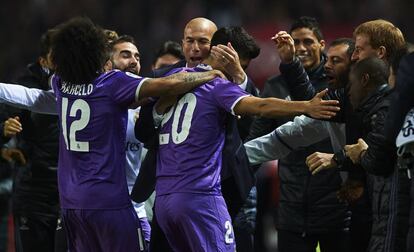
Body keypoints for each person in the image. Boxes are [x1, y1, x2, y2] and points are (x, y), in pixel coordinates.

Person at [0, 16, 225, 251]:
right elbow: (168, 84)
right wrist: (207, 74)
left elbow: (32, 98)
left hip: (71, 204)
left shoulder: (60, 84)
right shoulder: (113, 83)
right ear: (100, 54)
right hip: (109, 202)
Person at [151, 25, 340, 252]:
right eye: (240, 66)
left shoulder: (172, 80)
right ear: (225, 53)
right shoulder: (217, 85)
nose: (239, 72)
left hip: (164, 199)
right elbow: (260, 105)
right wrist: (306, 106)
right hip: (200, 197)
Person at [247, 17, 348, 252]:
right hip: (291, 207)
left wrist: (291, 65)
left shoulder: (337, 82)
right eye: (296, 42)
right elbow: (256, 138)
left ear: (322, 44)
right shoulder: (274, 86)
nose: (301, 48)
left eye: (308, 41)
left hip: (335, 207)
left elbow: (316, 110)